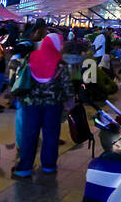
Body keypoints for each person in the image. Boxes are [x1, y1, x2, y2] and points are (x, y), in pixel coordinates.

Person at [11, 32, 74, 178]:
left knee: (29, 135)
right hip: (53, 105)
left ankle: (24, 168)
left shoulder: (31, 56)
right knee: (51, 136)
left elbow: (20, 74)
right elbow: (67, 86)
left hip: (30, 104)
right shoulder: (60, 63)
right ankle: (49, 166)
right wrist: (69, 101)